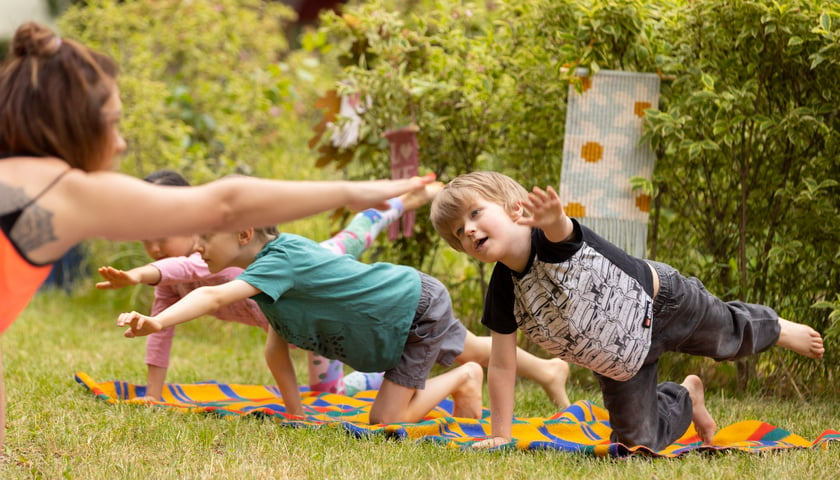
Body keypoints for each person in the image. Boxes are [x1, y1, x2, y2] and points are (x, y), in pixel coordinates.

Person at [0, 21, 434, 447]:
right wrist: (359, 191)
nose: (121, 144)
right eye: (113, 122)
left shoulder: (30, 180)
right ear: (74, 125)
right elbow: (227, 202)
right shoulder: (64, 192)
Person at [428, 171, 825, 450]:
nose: (469, 230)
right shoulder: (502, 290)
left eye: (476, 214)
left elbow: (563, 233)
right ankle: (687, 394)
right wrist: (501, 433)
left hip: (665, 304)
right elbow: (501, 365)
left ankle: (775, 326)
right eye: (459, 232)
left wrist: (553, 218)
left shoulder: (549, 240)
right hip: (618, 360)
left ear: (515, 208)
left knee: (727, 337)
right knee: (638, 442)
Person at [116, 222, 572, 424]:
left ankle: (463, 380)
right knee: (469, 344)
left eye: (203, 238)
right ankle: (551, 370)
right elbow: (275, 351)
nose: (195, 247)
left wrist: (156, 324)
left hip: (411, 309)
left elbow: (211, 293)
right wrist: (295, 412)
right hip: (397, 309)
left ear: (243, 236)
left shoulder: (281, 259)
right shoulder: (269, 282)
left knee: (386, 417)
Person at [96, 169, 439, 400]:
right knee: (328, 395)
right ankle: (384, 377)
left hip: (311, 279)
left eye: (162, 237)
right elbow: (160, 332)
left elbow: (184, 268)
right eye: (146, 241)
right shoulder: (172, 278)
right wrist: (154, 396)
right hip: (297, 327)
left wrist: (140, 273)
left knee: (353, 236)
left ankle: (397, 202)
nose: (154, 249)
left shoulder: (208, 255)